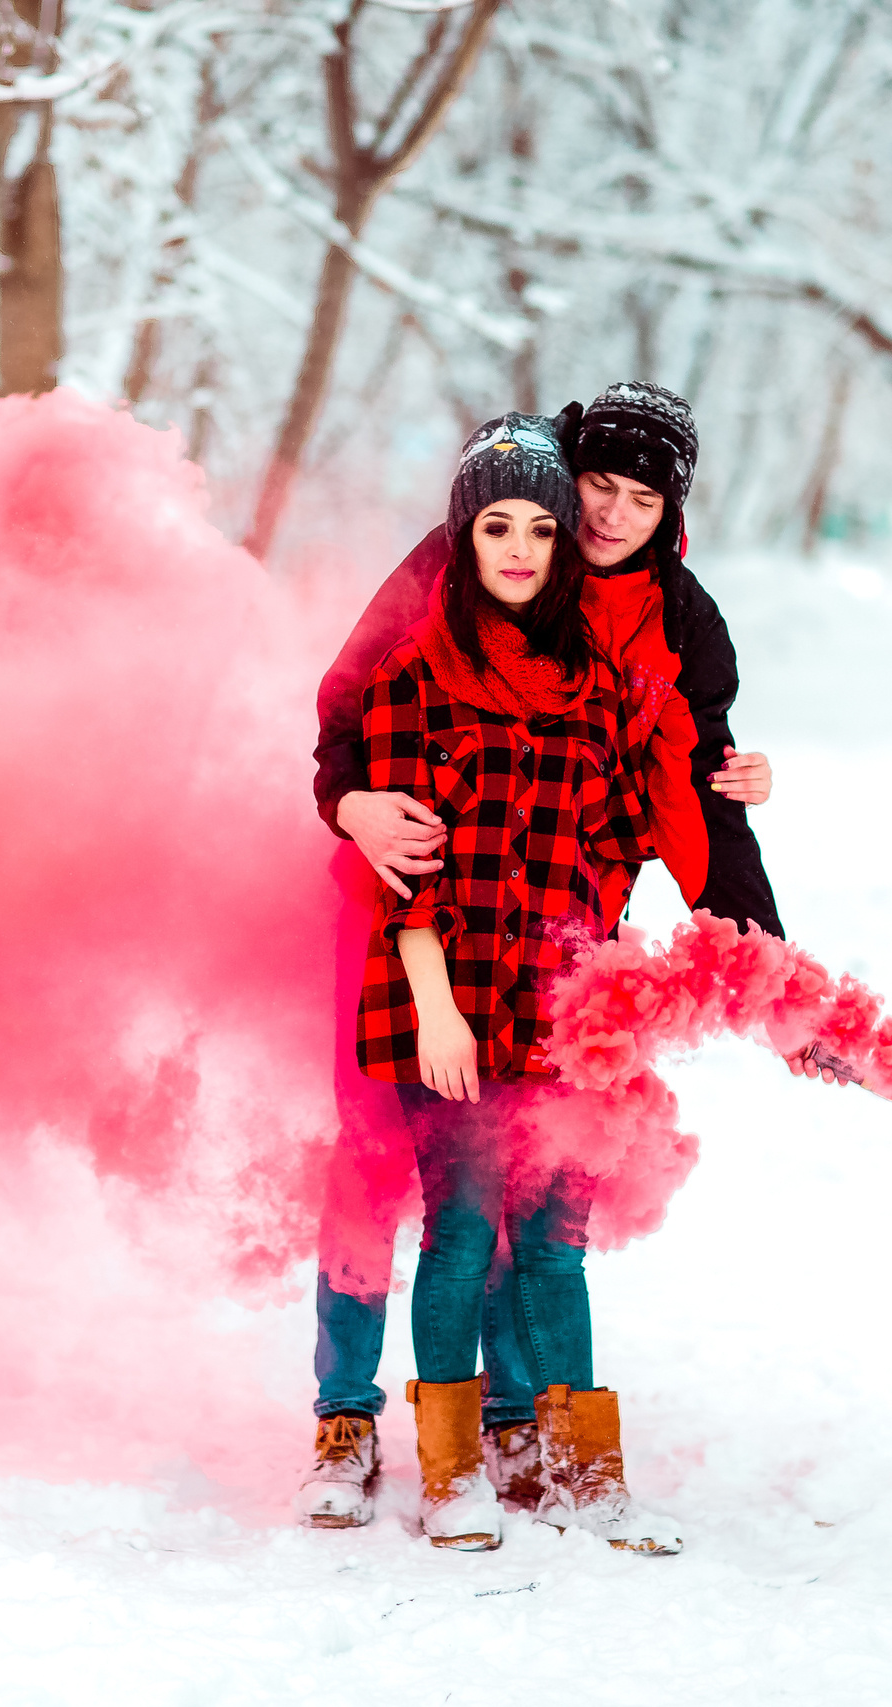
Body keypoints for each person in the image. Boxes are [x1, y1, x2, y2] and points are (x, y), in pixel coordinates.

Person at [298, 384, 780, 1533]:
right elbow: (346, 715)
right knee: (388, 1172)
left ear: (671, 516)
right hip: (408, 927)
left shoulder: (672, 625)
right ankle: (348, 1414)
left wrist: (759, 945)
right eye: (594, 489)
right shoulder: (452, 576)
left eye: (639, 501)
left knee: (524, 1198)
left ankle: (515, 1419)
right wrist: (352, 806)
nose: (609, 516)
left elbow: (681, 792)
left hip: (555, 946)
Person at [337, 412, 684, 1552]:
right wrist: (436, 1009)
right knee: (460, 1232)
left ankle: (587, 1472)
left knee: (554, 1244)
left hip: (559, 1007)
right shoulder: (414, 678)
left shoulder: (595, 684)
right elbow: (403, 874)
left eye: (542, 526)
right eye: (498, 527)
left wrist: (600, 979)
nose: (523, 548)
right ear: (465, 535)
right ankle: (450, 1477)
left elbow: (623, 835)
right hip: (446, 1000)